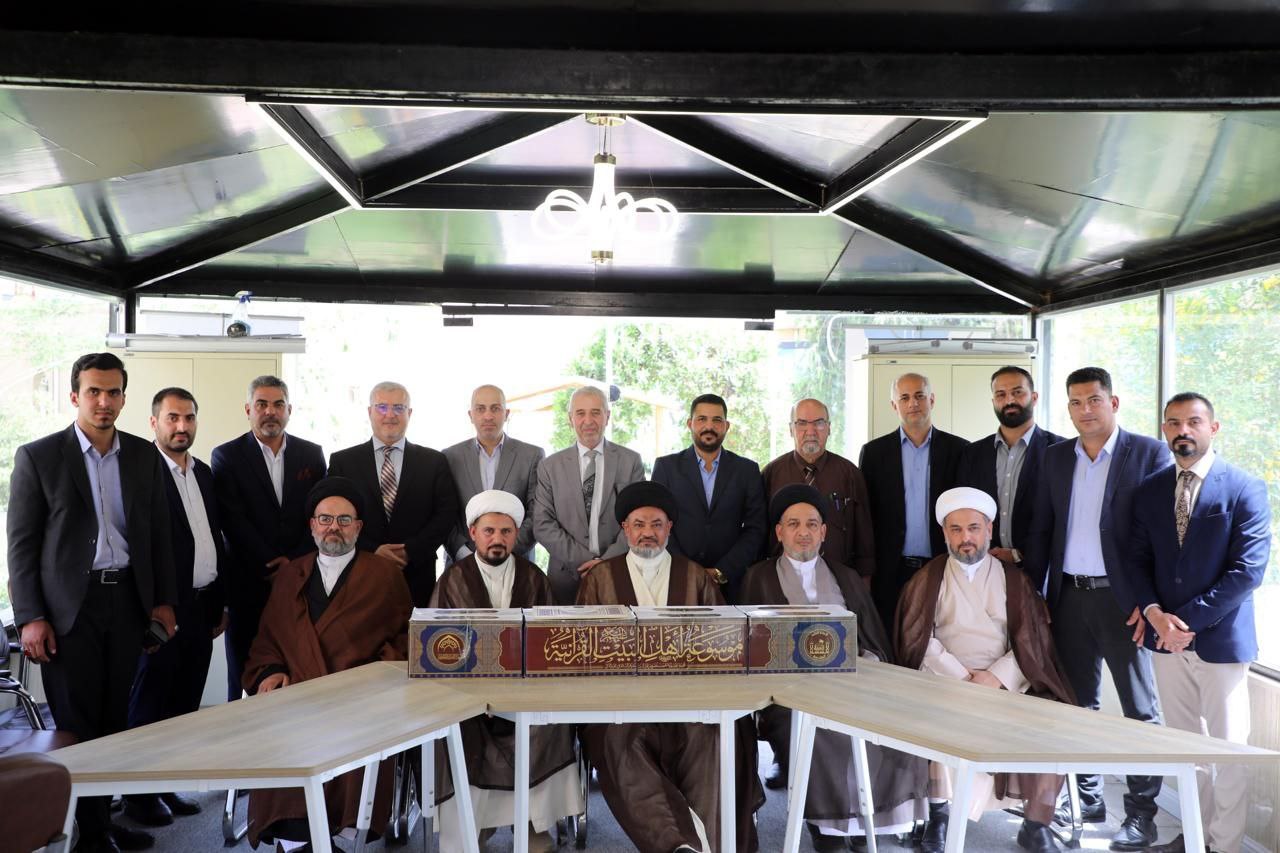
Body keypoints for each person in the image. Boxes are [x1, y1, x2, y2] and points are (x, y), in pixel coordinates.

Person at [7, 352, 176, 853]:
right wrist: (31, 617)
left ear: (124, 397)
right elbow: (21, 547)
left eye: (113, 392)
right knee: (77, 723)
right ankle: (86, 833)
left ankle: (101, 823)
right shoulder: (39, 456)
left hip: (127, 602)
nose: (104, 402)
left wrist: (164, 602)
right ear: (75, 396)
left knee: (115, 721)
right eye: (94, 392)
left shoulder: (144, 456)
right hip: (68, 612)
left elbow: (159, 536)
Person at [1024, 366, 1172, 851]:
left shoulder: (1148, 453)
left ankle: (1142, 815)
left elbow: (1160, 538)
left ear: (1113, 402)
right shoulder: (1055, 456)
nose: (1084, 410)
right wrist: (1036, 596)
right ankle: (1087, 799)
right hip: (1067, 596)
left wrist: (1149, 602)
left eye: (1093, 400)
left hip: (1123, 603)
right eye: (1075, 402)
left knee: (1139, 710)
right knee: (1076, 706)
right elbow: (1043, 529)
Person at [577, 481, 763, 853]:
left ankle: (709, 845)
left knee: (712, 740)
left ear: (669, 528)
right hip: (621, 704)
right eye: (639, 524)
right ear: (625, 528)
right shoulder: (600, 578)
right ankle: (679, 845)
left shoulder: (695, 576)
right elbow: (582, 647)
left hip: (690, 701)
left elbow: (724, 642)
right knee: (619, 744)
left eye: (657, 524)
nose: (648, 532)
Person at [741, 485, 928, 851]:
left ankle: (864, 822)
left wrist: (862, 665)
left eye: (812, 524)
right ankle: (827, 827)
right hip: (790, 695)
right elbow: (750, 648)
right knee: (817, 731)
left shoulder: (846, 577)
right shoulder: (757, 578)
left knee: (890, 720)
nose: (803, 532)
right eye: (793, 524)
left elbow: (872, 641)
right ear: (779, 532)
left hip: (852, 685)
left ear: (824, 531)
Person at [896, 487, 1075, 853]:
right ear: (945, 533)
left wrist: (995, 678)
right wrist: (961, 678)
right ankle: (939, 815)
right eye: (956, 529)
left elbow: (1032, 641)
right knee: (931, 717)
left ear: (989, 529)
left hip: (1005, 683)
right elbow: (917, 639)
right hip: (943, 680)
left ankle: (1035, 823)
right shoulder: (928, 578)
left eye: (974, 528)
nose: (966, 538)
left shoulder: (1014, 579)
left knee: (1053, 722)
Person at [1130, 393, 1271, 853]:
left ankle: (1223, 846)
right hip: (1165, 642)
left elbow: (1247, 572)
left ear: (1214, 427)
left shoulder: (1245, 487)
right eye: (1173, 423)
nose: (1182, 431)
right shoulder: (1151, 489)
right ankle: (1194, 837)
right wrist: (1155, 615)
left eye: (1193, 421)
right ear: (1164, 430)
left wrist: (1183, 623)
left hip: (1220, 641)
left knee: (1228, 750)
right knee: (1184, 747)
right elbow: (1138, 561)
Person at [241, 477, 413, 850]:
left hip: (357, 699)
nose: (334, 527)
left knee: (359, 734)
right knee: (279, 732)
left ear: (359, 527)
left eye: (344, 520)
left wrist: (375, 678)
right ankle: (295, 840)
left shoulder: (384, 575)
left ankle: (332, 834)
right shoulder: (290, 575)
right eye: (325, 519)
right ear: (312, 526)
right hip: (296, 695)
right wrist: (271, 672)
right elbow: (268, 639)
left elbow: (405, 638)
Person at [430, 490, 581, 853]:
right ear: (473, 533)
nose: (497, 539)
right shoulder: (451, 580)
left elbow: (552, 645)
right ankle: (474, 827)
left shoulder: (534, 578)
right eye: (489, 531)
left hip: (526, 695)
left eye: (506, 532)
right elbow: (435, 651)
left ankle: (532, 826)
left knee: (546, 725)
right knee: (460, 732)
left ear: (516, 536)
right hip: (468, 700)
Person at [123, 388, 229, 827]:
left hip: (202, 606)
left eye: (188, 418)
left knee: (183, 705)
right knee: (150, 704)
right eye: (172, 418)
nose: (181, 426)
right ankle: (138, 797)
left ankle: (165, 785)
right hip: (162, 611)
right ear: (154, 423)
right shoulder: (139, 472)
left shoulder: (203, 472)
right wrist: (153, 606)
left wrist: (220, 602)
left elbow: (213, 539)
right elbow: (136, 548)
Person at [211, 375, 326, 702]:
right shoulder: (226, 456)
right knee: (243, 671)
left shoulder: (311, 454)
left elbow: (318, 513)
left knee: (296, 669)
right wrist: (272, 563)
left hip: (300, 583)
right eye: (261, 404)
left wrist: (293, 565)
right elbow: (233, 520)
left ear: (289, 410)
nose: (270, 411)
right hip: (248, 583)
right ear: (248, 409)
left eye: (278, 404)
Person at [327, 381, 458, 607]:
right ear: (370, 412)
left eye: (398, 407)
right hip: (359, 570)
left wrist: (410, 550)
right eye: (382, 407)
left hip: (417, 574)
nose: (390, 415)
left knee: (414, 630)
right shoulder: (343, 462)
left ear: (409, 413)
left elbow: (446, 514)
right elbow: (333, 515)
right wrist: (371, 549)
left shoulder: (434, 461)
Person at [858, 373, 967, 631]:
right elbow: (865, 516)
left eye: (919, 396)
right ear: (894, 405)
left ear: (932, 400)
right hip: (890, 571)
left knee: (939, 638)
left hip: (943, 566)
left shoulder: (960, 450)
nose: (913, 403)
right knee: (890, 642)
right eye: (904, 398)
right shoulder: (874, 453)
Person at [533, 385, 645, 604]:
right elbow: (543, 524)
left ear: (607, 416)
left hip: (618, 573)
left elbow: (638, 520)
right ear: (570, 419)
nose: (588, 421)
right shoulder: (549, 466)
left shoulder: (630, 461)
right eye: (580, 413)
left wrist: (606, 563)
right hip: (566, 577)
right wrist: (587, 562)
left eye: (595, 412)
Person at [652, 393, 766, 603]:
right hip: (676, 580)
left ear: (726, 426)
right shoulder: (666, 468)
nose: (709, 426)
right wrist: (689, 571)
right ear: (690, 424)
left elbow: (756, 528)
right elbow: (657, 524)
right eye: (702, 419)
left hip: (731, 585)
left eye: (717, 420)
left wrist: (722, 571)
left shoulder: (747, 470)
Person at [957, 366, 1066, 569]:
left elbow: (1062, 517)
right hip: (983, 567)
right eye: (1001, 394)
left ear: (1034, 397)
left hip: (1040, 570)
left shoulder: (1060, 450)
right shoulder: (972, 453)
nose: (1009, 400)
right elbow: (965, 510)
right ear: (993, 402)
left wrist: (1019, 554)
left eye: (1017, 392)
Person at [761, 398, 876, 580]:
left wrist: (863, 584)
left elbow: (864, 536)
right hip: (782, 580)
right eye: (802, 423)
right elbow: (760, 534)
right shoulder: (771, 474)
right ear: (791, 429)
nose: (810, 431)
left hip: (838, 580)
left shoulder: (850, 474)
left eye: (819, 423)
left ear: (829, 428)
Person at [443, 384, 544, 563]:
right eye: (480, 409)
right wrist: (464, 554)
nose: (488, 416)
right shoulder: (450, 457)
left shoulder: (532, 456)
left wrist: (505, 551)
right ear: (471, 415)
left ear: (506, 413)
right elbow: (443, 514)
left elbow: (537, 513)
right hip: (463, 563)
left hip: (516, 563)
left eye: (495, 408)